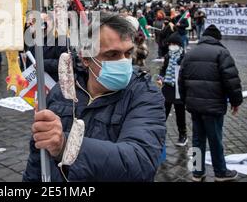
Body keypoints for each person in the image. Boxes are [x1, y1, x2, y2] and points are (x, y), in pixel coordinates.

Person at [23, 14, 166, 182]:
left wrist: (66, 146)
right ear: (85, 58)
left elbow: (140, 162)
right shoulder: (61, 91)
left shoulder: (145, 93)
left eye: (127, 53)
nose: (123, 62)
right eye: (112, 55)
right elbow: (38, 157)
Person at [179, 25, 243, 182]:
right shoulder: (222, 52)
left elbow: (181, 81)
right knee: (215, 140)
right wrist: (236, 101)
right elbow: (231, 81)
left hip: (195, 106)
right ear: (217, 39)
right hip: (213, 107)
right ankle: (221, 172)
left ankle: (197, 172)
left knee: (197, 140)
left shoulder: (190, 53)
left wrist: (186, 100)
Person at [158, 32, 187, 147]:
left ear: (179, 45)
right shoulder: (168, 55)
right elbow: (163, 69)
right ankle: (158, 134)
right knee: (163, 113)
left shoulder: (184, 57)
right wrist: (161, 78)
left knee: (180, 114)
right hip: (168, 87)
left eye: (174, 44)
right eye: (171, 44)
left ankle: (183, 135)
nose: (172, 46)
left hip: (179, 89)